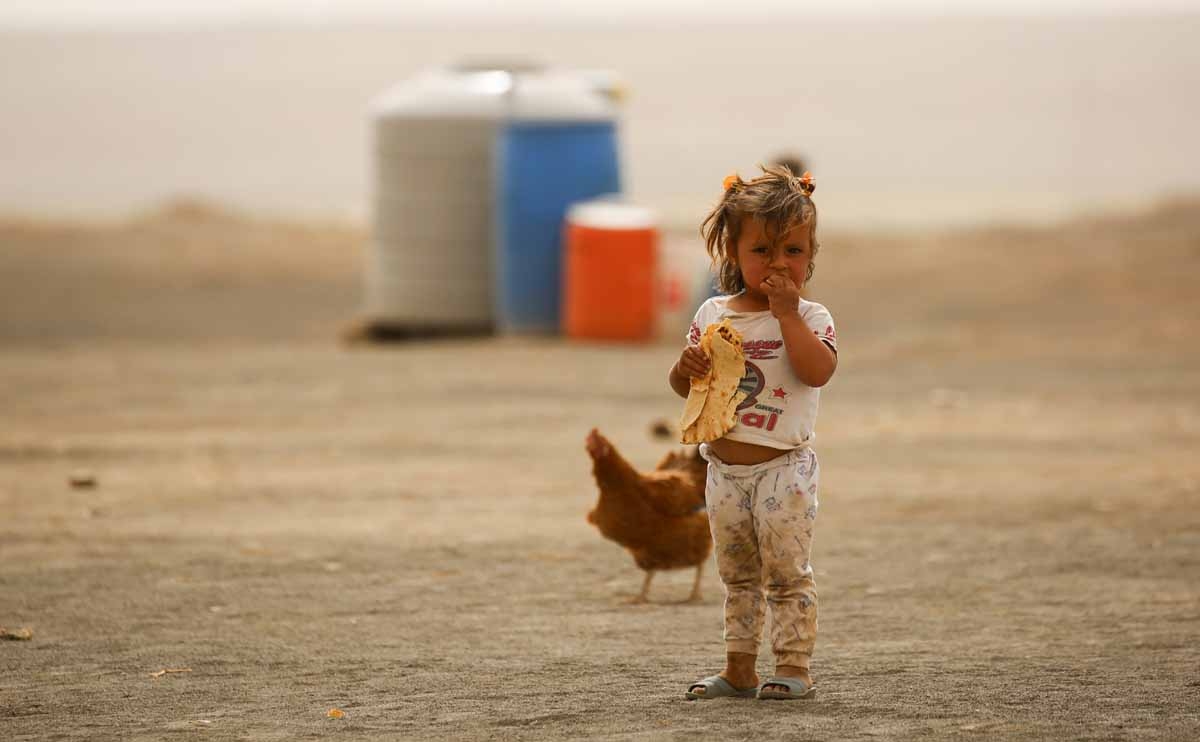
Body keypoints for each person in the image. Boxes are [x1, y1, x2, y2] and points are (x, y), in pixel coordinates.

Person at [669, 164, 837, 701]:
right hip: (723, 471)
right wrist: (686, 366)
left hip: (783, 469)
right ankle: (738, 666)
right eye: (762, 251)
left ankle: (793, 666)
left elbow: (817, 372)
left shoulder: (811, 315)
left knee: (786, 571)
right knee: (737, 574)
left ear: (810, 254)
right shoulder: (715, 313)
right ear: (733, 254)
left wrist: (787, 316)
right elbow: (686, 388)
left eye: (793, 251)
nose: (778, 263)